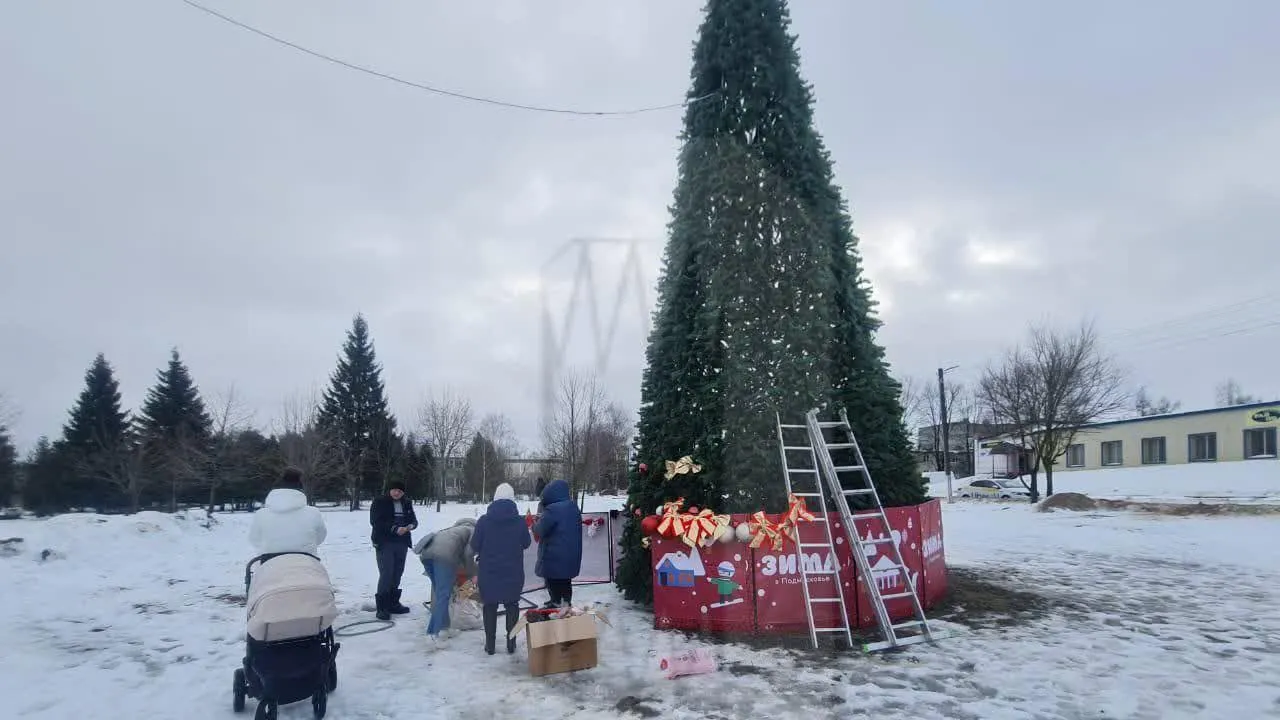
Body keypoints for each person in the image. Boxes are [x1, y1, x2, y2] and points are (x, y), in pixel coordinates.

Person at [470, 483, 531, 655]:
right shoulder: (519, 522)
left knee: (489, 606)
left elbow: (474, 544)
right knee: (512, 605)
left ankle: (490, 645)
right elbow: (526, 543)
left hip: (489, 573)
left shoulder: (483, 521)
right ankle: (511, 644)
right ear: (512, 499)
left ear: (495, 499)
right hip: (513, 572)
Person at [415, 517, 478, 642]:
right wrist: (472, 573)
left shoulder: (450, 530)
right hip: (444, 557)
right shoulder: (473, 531)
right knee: (443, 596)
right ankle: (433, 634)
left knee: (440, 594)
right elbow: (468, 554)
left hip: (426, 555)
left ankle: (445, 627)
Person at [249, 467, 327, 557]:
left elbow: (255, 540)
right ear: (301, 489)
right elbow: (320, 537)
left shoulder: (261, 514)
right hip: (306, 561)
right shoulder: (313, 513)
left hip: (270, 562)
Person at [369, 481, 418, 621]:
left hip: (402, 543)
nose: (397, 493)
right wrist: (395, 529)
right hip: (385, 542)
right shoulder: (380, 502)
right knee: (386, 573)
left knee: (397, 572)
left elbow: (413, 520)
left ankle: (393, 603)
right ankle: (382, 607)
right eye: (395, 490)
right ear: (390, 490)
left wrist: (410, 526)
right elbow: (376, 522)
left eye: (400, 491)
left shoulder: (406, 503)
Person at [532, 479, 582, 607]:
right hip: (571, 554)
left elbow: (540, 530)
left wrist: (534, 523)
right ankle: (566, 602)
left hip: (554, 556)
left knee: (552, 581)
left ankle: (555, 604)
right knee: (565, 581)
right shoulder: (573, 507)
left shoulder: (552, 510)